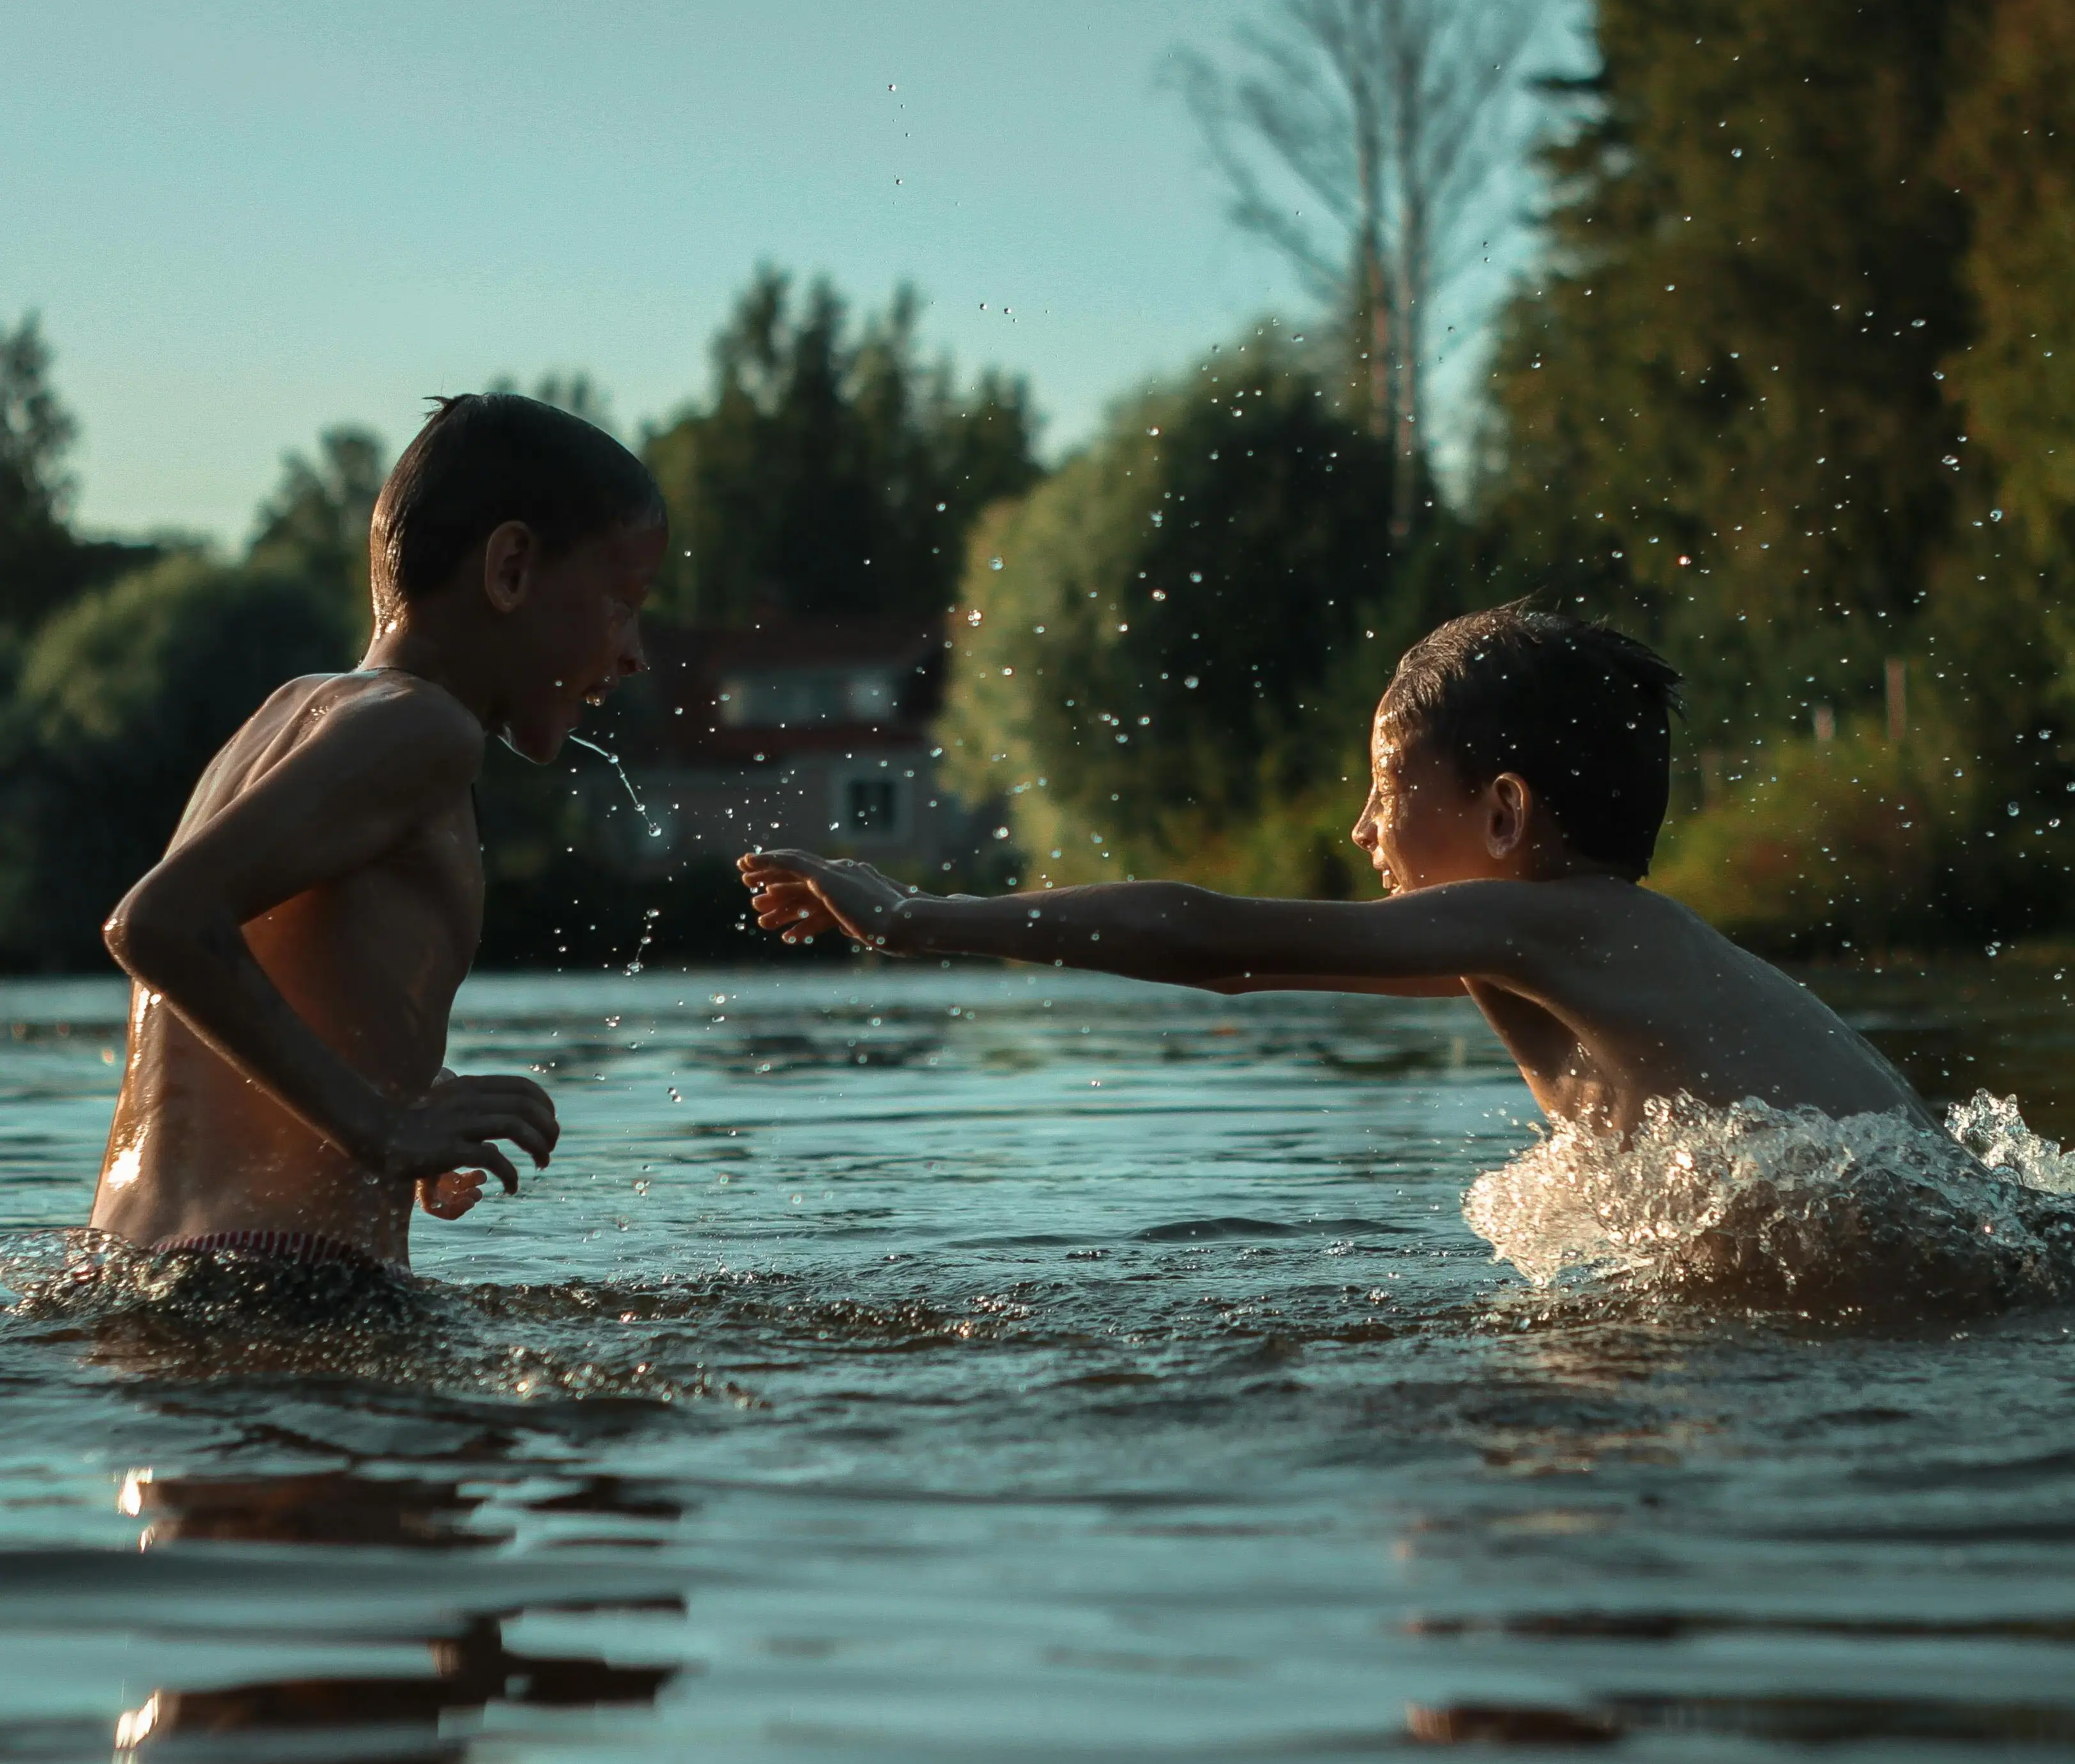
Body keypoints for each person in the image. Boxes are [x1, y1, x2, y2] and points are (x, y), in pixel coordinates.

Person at [738, 605, 1929, 1138]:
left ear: (1504, 816)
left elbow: (1215, 942)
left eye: (1384, 791)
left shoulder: (1554, 930)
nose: (1363, 833)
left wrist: (919, 916)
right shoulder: (1590, 953)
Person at [90, 393, 664, 1273]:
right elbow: (160, 924)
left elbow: (277, 961)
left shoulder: (290, 714)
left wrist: (411, 1094)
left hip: (143, 1266)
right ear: (510, 567)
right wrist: (380, 1129)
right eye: (623, 602)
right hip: (284, 1277)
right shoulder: (425, 729)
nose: (634, 653)